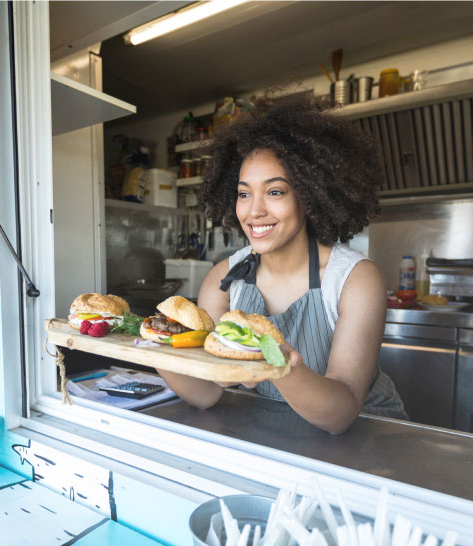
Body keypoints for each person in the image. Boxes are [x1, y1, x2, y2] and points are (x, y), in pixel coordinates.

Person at [157, 95, 406, 433]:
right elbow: (207, 392)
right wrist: (156, 349)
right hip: (277, 434)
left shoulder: (354, 279)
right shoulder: (224, 280)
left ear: (310, 194)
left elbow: (341, 413)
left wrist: (276, 360)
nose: (254, 211)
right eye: (244, 194)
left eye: (275, 192)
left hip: (367, 441)